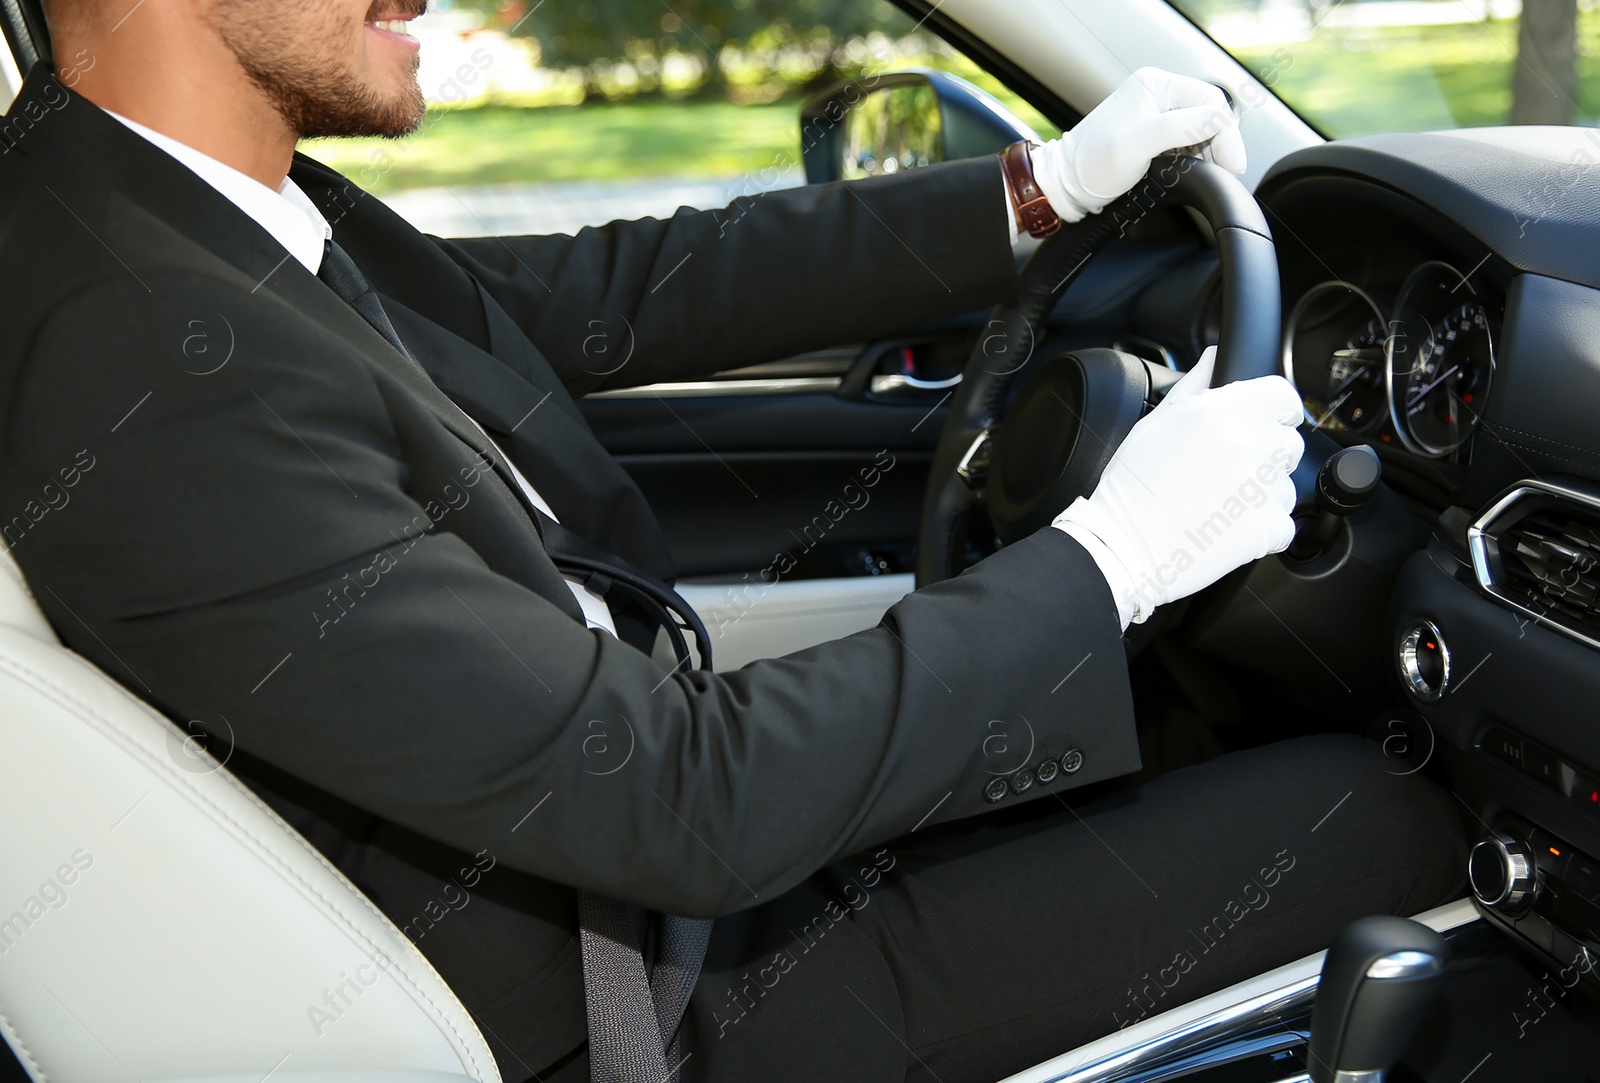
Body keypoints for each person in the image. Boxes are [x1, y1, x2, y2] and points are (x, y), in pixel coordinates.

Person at [0, 2, 1464, 1081]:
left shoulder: (189, 209)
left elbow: (601, 292)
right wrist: (1117, 554)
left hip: (643, 892)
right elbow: (680, 796)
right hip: (665, 1009)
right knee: (1387, 814)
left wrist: (1042, 192)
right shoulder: (135, 353)